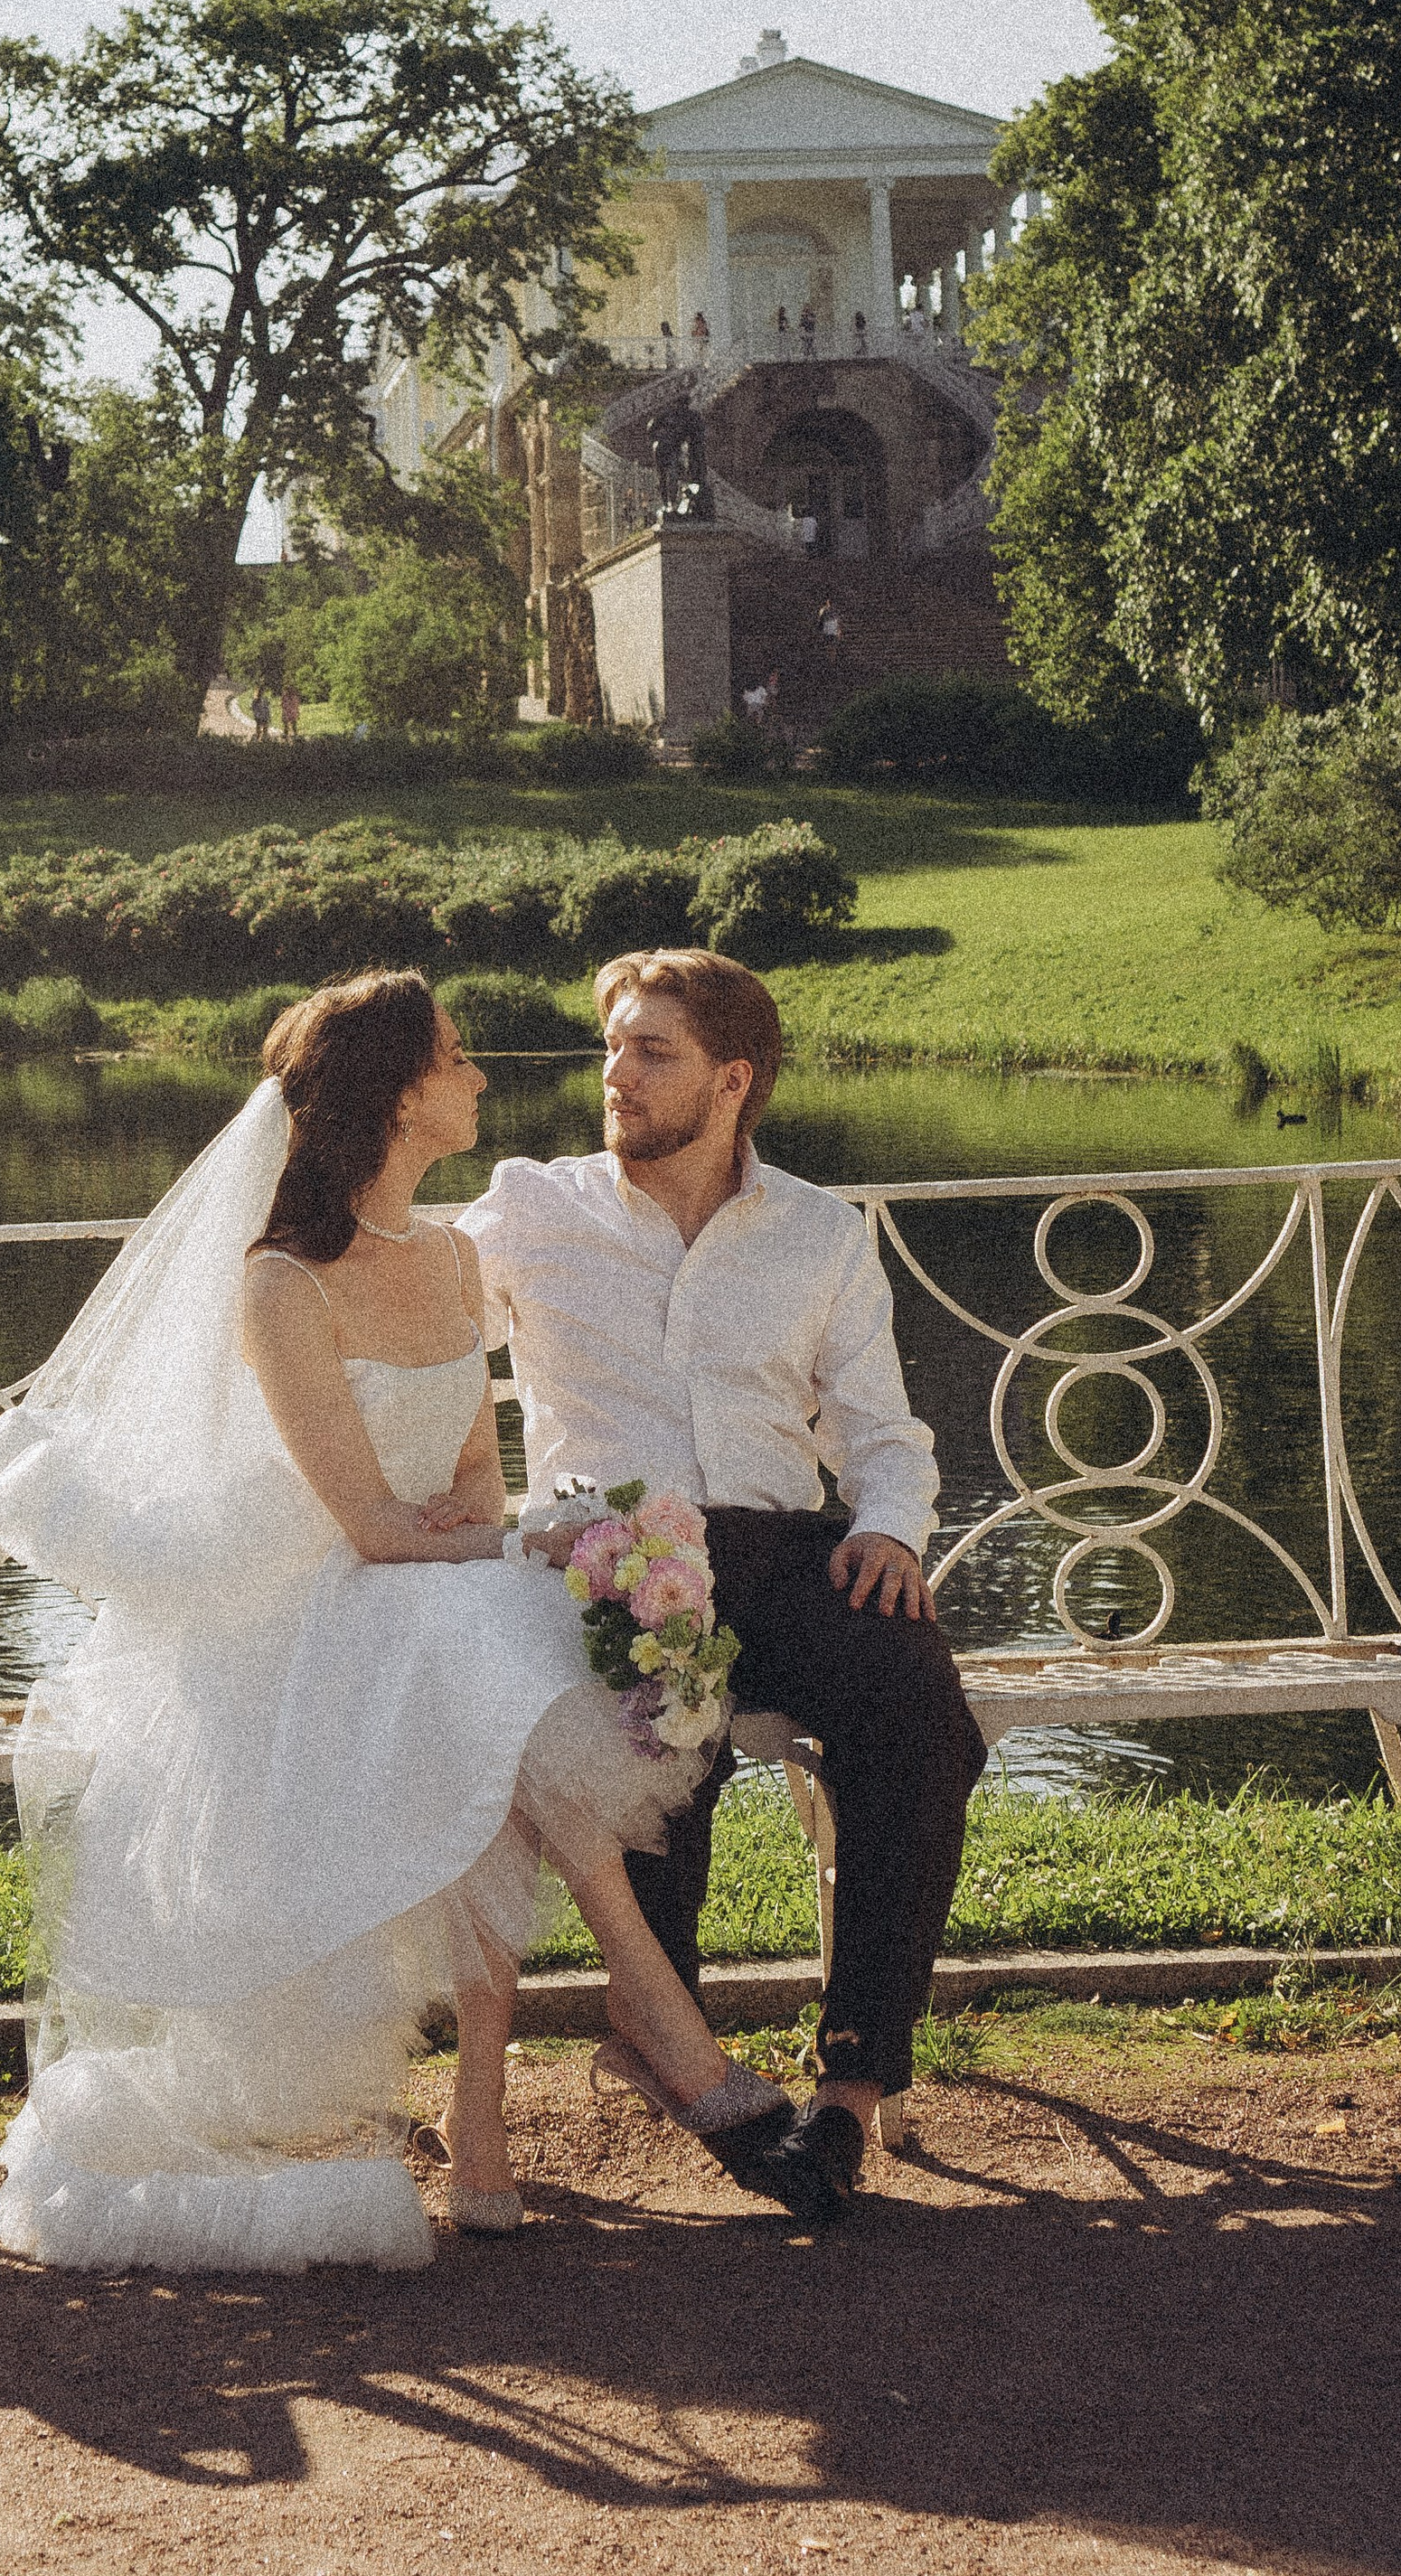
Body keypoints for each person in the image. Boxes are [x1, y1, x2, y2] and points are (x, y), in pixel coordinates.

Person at [0, 972, 826, 2274]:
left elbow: (473, 1484)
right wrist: (521, 1541)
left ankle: (506, 2110)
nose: (481, 1076)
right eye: (457, 1057)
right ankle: (659, 2030)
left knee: (488, 1654)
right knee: (483, 1652)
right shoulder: (281, 1286)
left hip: (421, 1593)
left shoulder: (453, 1257)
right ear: (397, 1096)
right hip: (291, 1614)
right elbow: (366, 1524)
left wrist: (513, 1538)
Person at [464, 953, 985, 2223]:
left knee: (922, 1716)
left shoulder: (819, 1233)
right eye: (613, 1049)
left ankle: (851, 2092)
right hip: (610, 1558)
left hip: (781, 1551)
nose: (616, 1076)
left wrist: (892, 1532)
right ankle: (669, 2037)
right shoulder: (534, 1209)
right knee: (651, 1727)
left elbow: (884, 1433)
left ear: (733, 1079)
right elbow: (407, 1329)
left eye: (653, 1054)